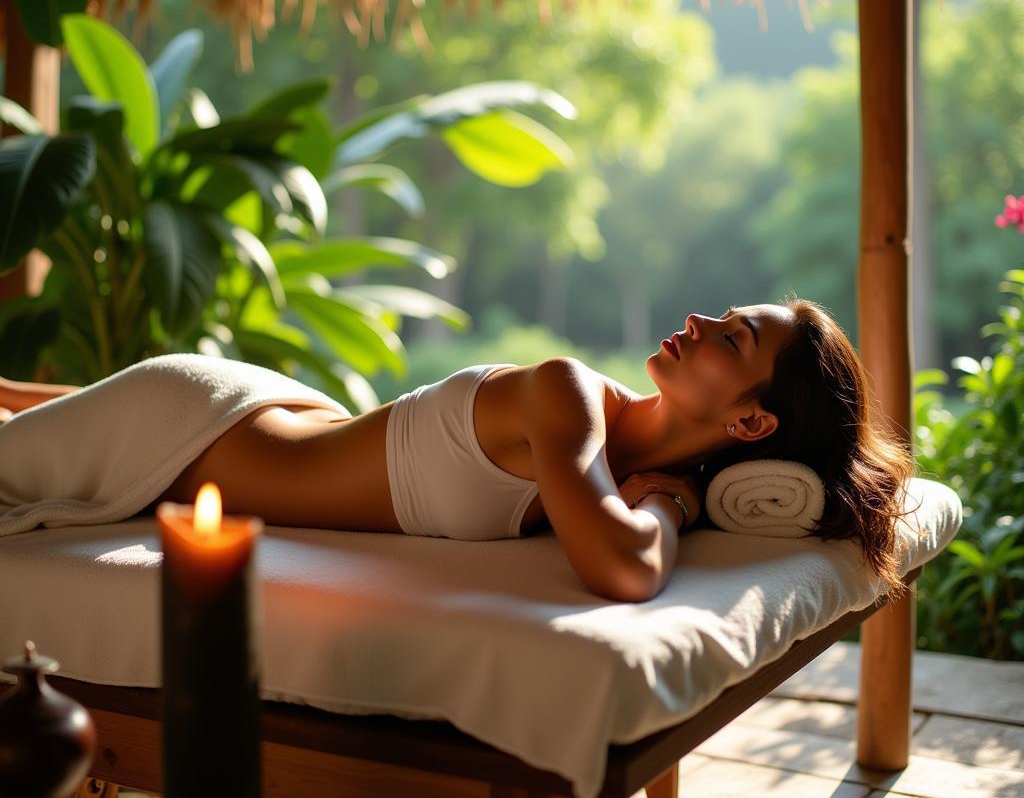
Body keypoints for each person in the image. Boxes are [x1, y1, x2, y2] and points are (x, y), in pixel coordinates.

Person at [0, 296, 914, 604]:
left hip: (232, 432)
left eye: (732, 339)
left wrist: (667, 493)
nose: (700, 320)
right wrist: (669, 502)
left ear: (753, 425)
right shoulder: (567, 398)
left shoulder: (609, 461)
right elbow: (626, 570)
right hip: (193, 423)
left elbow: (618, 557)